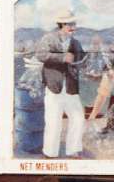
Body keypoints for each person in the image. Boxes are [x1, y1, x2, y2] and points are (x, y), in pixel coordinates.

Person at [35, 13, 86, 158]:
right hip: (53, 86)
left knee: (78, 118)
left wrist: (84, 63)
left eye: (74, 24)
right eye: (70, 24)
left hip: (71, 87)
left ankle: (73, 150)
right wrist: (62, 57)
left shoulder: (76, 43)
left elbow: (82, 59)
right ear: (62, 25)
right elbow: (40, 55)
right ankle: (50, 153)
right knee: (53, 121)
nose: (73, 27)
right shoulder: (48, 38)